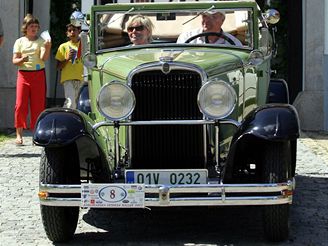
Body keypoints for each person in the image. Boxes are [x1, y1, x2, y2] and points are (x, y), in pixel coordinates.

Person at [12, 14, 51, 145]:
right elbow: (14, 61)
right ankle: (19, 134)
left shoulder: (41, 40)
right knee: (20, 105)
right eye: (31, 26)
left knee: (38, 105)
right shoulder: (19, 41)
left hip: (38, 74)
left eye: (36, 26)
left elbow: (44, 58)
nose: (34, 28)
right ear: (26, 27)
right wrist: (22, 59)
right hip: (23, 75)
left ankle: (36, 134)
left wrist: (48, 47)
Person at [55, 22, 83, 109]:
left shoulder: (85, 44)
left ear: (79, 31)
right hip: (68, 79)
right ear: (67, 34)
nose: (72, 32)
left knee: (80, 104)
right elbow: (58, 66)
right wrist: (67, 58)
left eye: (74, 30)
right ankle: (66, 119)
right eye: (69, 31)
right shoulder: (63, 47)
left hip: (82, 79)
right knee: (70, 103)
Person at [177, 10, 242, 46]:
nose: (207, 20)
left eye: (213, 17)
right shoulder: (186, 37)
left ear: (222, 20)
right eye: (204, 16)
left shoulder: (234, 43)